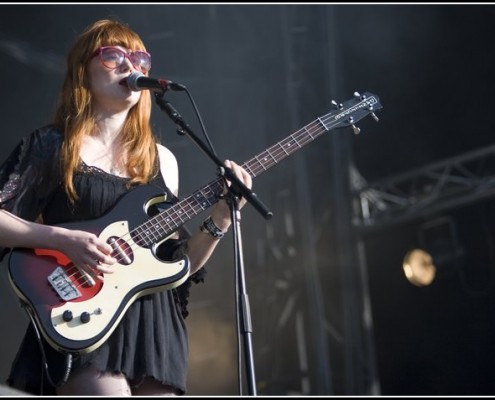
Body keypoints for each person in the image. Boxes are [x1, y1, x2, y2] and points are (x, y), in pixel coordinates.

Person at [1, 18, 252, 396]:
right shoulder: (52, 146)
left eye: (139, 58)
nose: (130, 65)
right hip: (80, 311)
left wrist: (220, 217)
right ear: (82, 71)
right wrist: (61, 239)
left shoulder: (161, 160)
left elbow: (178, 262)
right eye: (113, 55)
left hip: (152, 325)